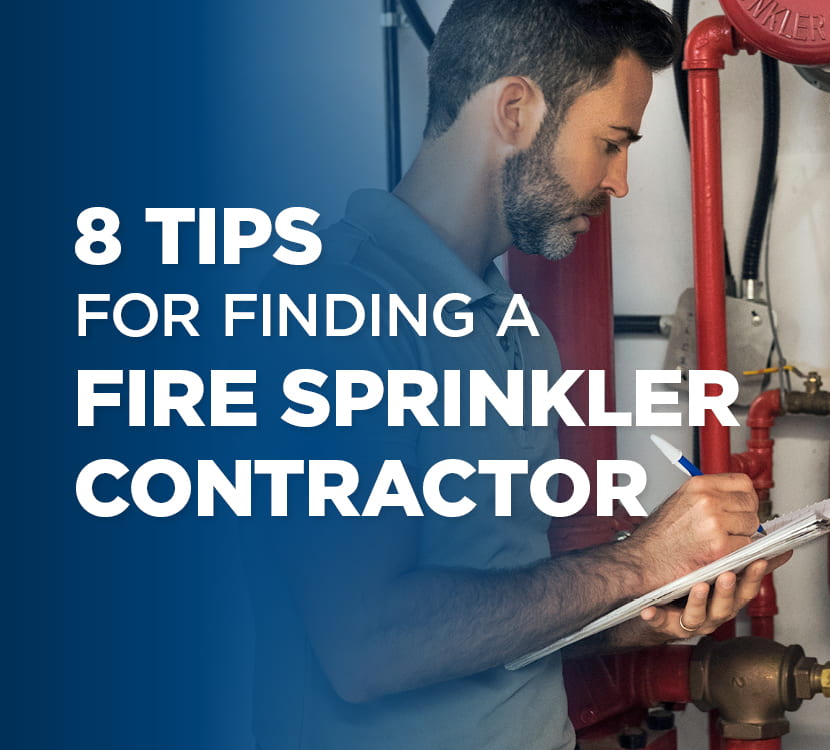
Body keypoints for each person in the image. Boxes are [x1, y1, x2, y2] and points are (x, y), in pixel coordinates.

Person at [242, 2, 790, 748]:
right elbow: (365, 644)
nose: (620, 182)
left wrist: (650, 603)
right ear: (515, 110)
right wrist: (637, 560)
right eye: (610, 143)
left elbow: (497, 609)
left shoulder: (518, 333)